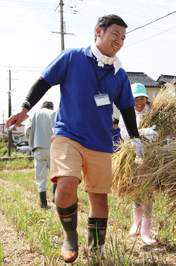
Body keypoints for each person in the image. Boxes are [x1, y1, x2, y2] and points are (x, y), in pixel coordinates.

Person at [6, 15, 144, 263]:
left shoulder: (119, 73)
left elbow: (126, 108)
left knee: (99, 199)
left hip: (101, 142)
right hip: (68, 134)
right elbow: (44, 81)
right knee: (67, 184)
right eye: (115, 34)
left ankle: (96, 249)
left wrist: (135, 138)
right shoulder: (73, 57)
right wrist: (25, 107)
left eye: (123, 37)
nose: (120, 41)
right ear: (98, 32)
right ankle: (70, 235)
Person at [128, 83, 157, 244]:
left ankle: (146, 232)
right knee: (135, 192)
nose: (139, 102)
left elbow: (160, 135)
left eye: (142, 98)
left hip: (149, 161)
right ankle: (136, 224)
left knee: (148, 195)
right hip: (132, 160)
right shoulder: (128, 114)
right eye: (136, 98)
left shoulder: (153, 115)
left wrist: (155, 135)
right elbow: (125, 135)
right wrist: (140, 133)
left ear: (146, 99)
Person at [25, 100, 57, 208]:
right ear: (51, 107)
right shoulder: (54, 113)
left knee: (40, 177)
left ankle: (43, 203)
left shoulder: (34, 114)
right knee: (55, 174)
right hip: (53, 148)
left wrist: (32, 140)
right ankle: (55, 198)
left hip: (38, 148)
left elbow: (27, 130)